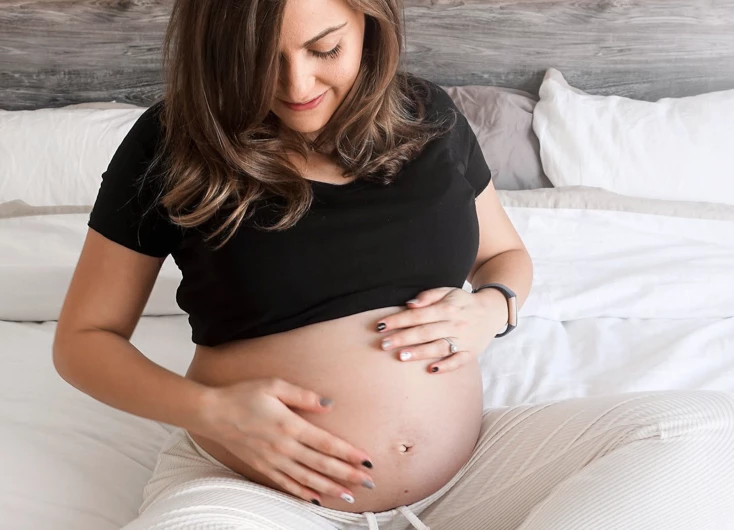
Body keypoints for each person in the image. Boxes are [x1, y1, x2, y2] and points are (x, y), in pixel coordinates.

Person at [52, 0, 734, 527]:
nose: (296, 84)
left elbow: (503, 255)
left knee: (702, 437)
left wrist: (490, 309)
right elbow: (83, 343)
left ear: (368, 23)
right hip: (255, 492)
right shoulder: (171, 143)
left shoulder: (428, 117)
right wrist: (212, 410)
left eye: (326, 49)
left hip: (470, 481)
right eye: (258, 59)